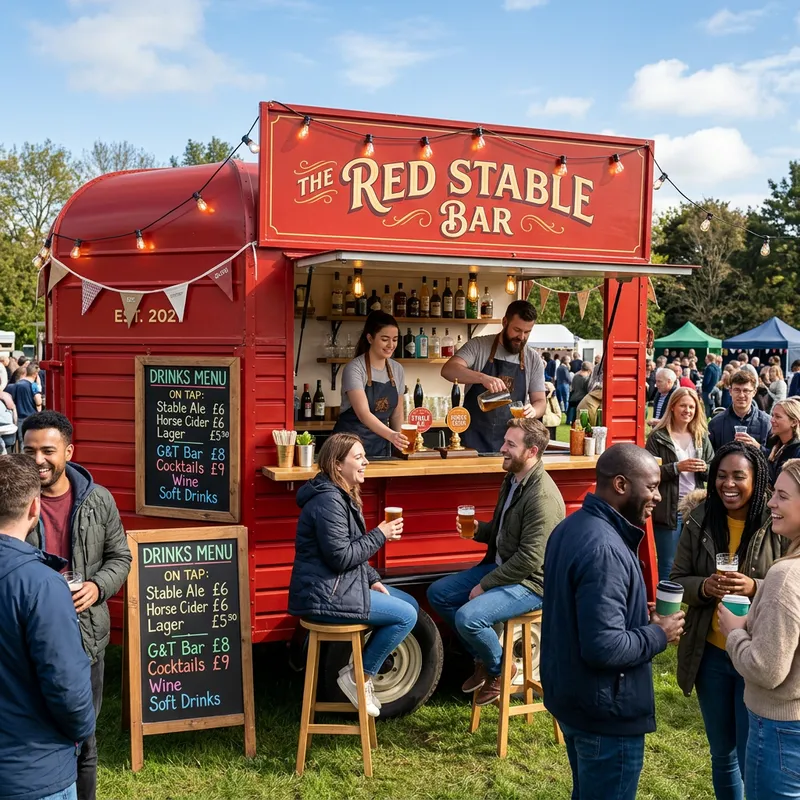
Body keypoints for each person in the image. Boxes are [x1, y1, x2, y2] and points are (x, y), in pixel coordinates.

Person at [541, 444, 684, 800]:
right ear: (620, 484)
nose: (656, 495)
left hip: (575, 700)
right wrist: (658, 633)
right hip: (605, 714)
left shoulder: (572, 526)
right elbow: (604, 647)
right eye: (650, 486)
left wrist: (637, 613)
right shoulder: (604, 548)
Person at [22, 412, 131, 800]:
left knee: (84, 737)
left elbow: (121, 556)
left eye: (48, 451)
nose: (38, 460)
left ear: (68, 451)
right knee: (33, 731)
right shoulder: (15, 500)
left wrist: (96, 587)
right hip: (27, 635)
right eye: (30, 450)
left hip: (85, 638)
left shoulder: (98, 499)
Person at [670, 442, 782, 800]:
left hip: (755, 655)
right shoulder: (700, 518)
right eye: (721, 476)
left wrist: (755, 586)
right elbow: (677, 579)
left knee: (753, 755)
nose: (728, 484)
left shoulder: (776, 521)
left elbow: (791, 582)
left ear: (757, 479)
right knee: (723, 754)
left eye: (738, 476)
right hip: (712, 656)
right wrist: (704, 586)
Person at [428, 419, 565, 705]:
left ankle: (500, 669)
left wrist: (485, 584)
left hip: (532, 582)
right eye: (504, 441)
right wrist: (479, 530)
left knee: (469, 617)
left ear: (532, 451)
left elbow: (531, 558)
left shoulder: (542, 496)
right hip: (505, 568)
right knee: (438, 593)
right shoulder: (513, 479)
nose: (502, 448)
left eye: (510, 445)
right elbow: (505, 532)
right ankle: (486, 658)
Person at [288, 433, 417, 716]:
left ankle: (359, 667)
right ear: (337, 465)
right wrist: (381, 534)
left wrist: (372, 579)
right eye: (358, 458)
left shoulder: (340, 495)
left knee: (411, 604)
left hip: (337, 587)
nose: (366, 462)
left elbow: (349, 553)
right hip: (325, 596)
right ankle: (360, 676)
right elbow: (341, 557)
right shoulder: (329, 502)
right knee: (406, 615)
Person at [0, 454, 96, 800]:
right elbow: (67, 685)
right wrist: (82, 730)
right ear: (34, 509)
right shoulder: (40, 585)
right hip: (31, 769)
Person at [719, 458, 800, 799]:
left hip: (780, 731)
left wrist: (734, 631)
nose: (770, 502)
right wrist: (761, 587)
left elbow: (767, 670)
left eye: (782, 495)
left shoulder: (786, 577)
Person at [441, 300, 545, 452]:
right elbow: (448, 370)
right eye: (517, 330)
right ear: (504, 322)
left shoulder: (533, 358)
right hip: (473, 440)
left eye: (527, 332)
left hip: (512, 444)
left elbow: (540, 401)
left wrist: (534, 411)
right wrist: (482, 378)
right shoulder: (479, 346)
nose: (521, 337)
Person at [646, 388, 714, 581]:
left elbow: (715, 470)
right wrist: (676, 467)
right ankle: (666, 608)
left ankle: (692, 602)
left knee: (697, 560)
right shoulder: (658, 436)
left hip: (697, 508)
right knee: (669, 562)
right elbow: (648, 472)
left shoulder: (701, 436)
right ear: (673, 406)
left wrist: (705, 468)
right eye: (683, 405)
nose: (688, 410)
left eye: (692, 407)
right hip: (669, 508)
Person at [334, 311, 410, 458]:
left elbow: (397, 414)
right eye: (385, 339)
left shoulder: (397, 369)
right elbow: (363, 414)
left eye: (395, 339)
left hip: (380, 446)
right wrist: (392, 435)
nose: (391, 345)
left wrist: (401, 444)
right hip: (349, 447)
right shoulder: (355, 368)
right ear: (370, 338)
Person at [708, 370, 771, 450]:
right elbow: (709, 458)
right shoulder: (716, 423)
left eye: (746, 391)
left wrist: (758, 447)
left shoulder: (767, 422)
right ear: (730, 392)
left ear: (754, 392)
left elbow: (774, 458)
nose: (741, 395)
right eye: (737, 390)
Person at [763, 397, 800, 488]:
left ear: (794, 422)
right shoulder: (774, 443)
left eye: (778, 416)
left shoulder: (797, 451)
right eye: (772, 415)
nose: (772, 420)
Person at [6, 362, 42, 444]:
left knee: (22, 442)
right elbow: (38, 400)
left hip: (19, 418)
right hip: (31, 417)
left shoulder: (16, 384)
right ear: (35, 374)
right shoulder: (33, 385)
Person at [567, 361, 591, 425]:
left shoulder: (575, 376)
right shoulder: (586, 378)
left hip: (574, 397)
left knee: (574, 418)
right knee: (581, 420)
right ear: (589, 369)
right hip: (582, 399)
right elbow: (587, 390)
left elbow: (573, 387)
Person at [702, 353, 722, 418]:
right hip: (714, 389)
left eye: (706, 358)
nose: (705, 360)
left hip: (707, 390)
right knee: (712, 407)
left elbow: (706, 381)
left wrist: (703, 388)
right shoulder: (718, 368)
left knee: (706, 408)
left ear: (708, 359)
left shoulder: (709, 368)